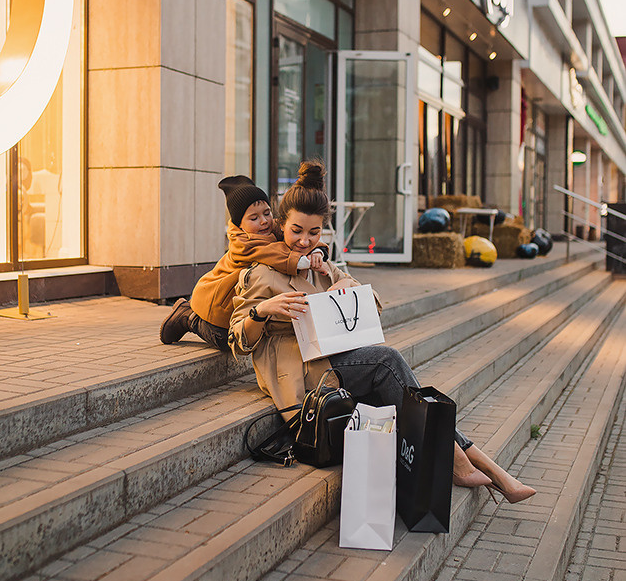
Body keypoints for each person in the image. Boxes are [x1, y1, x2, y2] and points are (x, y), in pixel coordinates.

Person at [229, 160, 536, 505]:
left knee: (397, 382)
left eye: (313, 233)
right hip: (303, 377)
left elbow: (371, 305)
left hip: (331, 361)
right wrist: (262, 311)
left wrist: (346, 283)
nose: (304, 240)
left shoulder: (319, 265)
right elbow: (238, 339)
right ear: (281, 225)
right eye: (296, 230)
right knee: (388, 363)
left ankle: (476, 463)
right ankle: (473, 463)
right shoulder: (260, 274)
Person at [159, 174, 326, 351]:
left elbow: (298, 235)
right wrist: (305, 261)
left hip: (242, 300)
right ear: (240, 224)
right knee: (226, 340)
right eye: (254, 218)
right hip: (218, 304)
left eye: (267, 213)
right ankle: (188, 317)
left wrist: (317, 250)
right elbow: (278, 255)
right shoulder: (244, 243)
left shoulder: (270, 227)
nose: (263, 221)